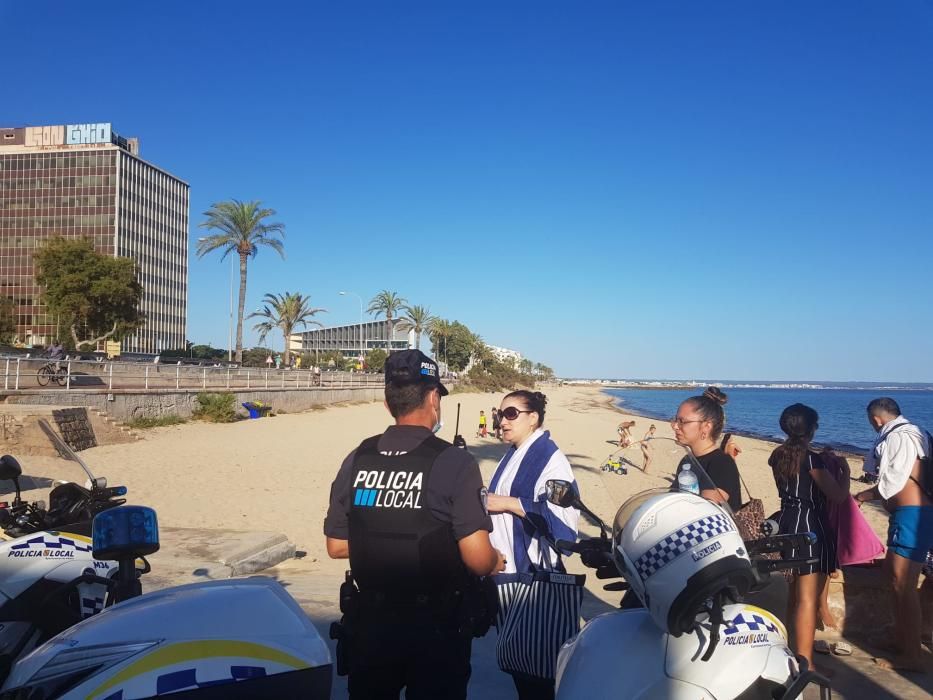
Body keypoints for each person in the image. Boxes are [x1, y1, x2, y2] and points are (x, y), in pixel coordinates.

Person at [324, 349, 506, 699]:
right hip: (436, 629)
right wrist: (495, 560)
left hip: (371, 627)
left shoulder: (357, 457)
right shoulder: (455, 462)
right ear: (434, 398)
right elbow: (477, 558)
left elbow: (336, 546)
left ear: (386, 402)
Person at [487, 390, 580, 699]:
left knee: (537, 674)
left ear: (533, 418)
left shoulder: (550, 458)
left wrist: (507, 503)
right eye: (500, 414)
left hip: (533, 578)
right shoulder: (515, 451)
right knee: (520, 664)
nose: (502, 420)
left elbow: (564, 520)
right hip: (507, 575)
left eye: (511, 413)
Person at [768, 403, 849, 671]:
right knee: (806, 599)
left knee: (793, 597)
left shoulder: (777, 455)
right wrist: (845, 472)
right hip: (810, 526)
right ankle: (806, 662)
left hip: (788, 521)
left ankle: (791, 649)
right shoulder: (811, 460)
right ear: (811, 429)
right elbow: (837, 495)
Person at [855, 397, 933, 673]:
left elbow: (892, 482)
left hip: (912, 514)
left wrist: (863, 495)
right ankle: (903, 636)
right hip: (913, 515)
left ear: (876, 419)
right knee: (893, 575)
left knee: (903, 583)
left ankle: (912, 655)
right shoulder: (917, 432)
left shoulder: (898, 437)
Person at [671, 387, 742, 511]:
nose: (675, 426)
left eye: (682, 421)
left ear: (706, 427)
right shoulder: (687, 460)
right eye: (675, 420)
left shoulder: (722, 464)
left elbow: (705, 510)